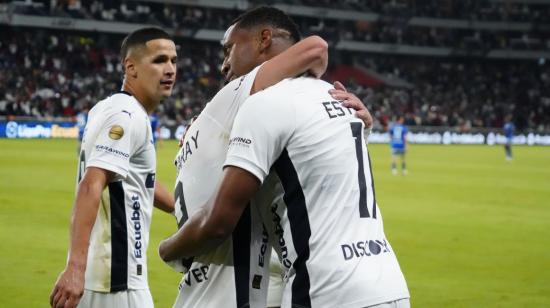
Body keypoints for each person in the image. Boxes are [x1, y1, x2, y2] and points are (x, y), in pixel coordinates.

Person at [159, 12, 409, 308]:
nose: (224, 64)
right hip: (388, 283)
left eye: (229, 49)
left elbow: (219, 222)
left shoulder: (260, 104)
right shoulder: (338, 101)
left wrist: (167, 249)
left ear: (264, 39)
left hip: (323, 288)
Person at [50, 27, 176, 308]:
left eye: (173, 60)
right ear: (131, 67)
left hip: (104, 278)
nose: (170, 69)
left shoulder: (106, 108)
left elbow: (140, 180)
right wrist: (75, 268)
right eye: (159, 60)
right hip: (118, 280)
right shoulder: (127, 115)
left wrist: (185, 209)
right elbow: (92, 184)